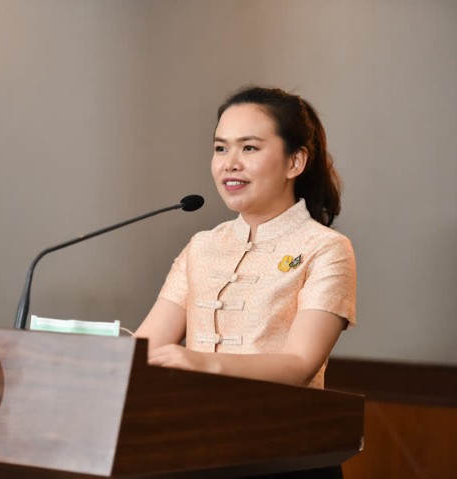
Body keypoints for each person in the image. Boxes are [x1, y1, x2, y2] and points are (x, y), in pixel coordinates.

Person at [134, 86, 356, 479]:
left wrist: (199, 362)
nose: (229, 164)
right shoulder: (202, 246)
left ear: (295, 162)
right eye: (221, 149)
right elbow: (145, 347)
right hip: (196, 448)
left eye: (249, 148)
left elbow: (299, 365)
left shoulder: (326, 248)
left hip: (286, 455)